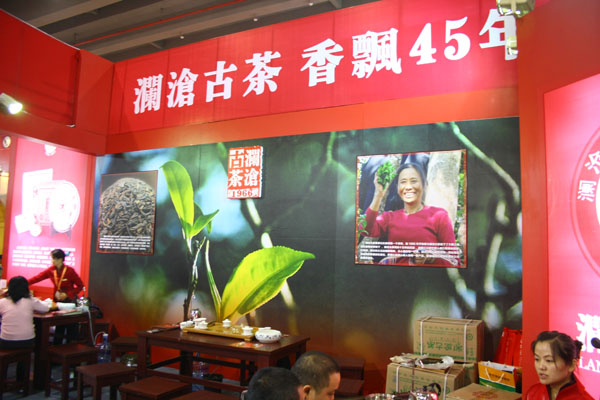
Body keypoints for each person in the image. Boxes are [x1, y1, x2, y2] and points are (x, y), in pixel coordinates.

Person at [361, 162, 459, 266]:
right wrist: (378, 194)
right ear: (397, 188)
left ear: (423, 184)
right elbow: (364, 229)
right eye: (403, 182)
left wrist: (431, 259)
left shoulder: (439, 215)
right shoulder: (390, 217)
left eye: (414, 181)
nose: (408, 187)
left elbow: (454, 261)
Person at [28, 248, 84, 343]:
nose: (52, 261)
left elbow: (80, 285)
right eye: (52, 258)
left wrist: (67, 294)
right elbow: (37, 278)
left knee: (70, 326)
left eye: (54, 258)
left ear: (61, 259)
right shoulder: (51, 270)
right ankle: (57, 346)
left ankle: (70, 346)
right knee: (59, 325)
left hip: (69, 302)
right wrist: (22, 282)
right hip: (58, 301)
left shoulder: (70, 271)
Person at [0, 276, 49, 379]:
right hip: (27, 341)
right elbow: (45, 308)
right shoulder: (30, 300)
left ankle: (3, 377)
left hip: (6, 341)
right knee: (25, 353)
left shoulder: (3, 302)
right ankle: (22, 379)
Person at [525, 331, 594, 400]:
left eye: (549, 360)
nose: (541, 367)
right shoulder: (533, 393)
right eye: (537, 359)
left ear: (571, 365)